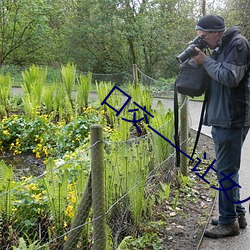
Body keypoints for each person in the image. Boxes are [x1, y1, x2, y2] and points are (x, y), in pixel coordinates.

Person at [192, 15, 250, 238]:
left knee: (226, 172)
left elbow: (229, 77)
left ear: (216, 32)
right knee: (228, 170)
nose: (203, 41)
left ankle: (228, 223)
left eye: (204, 37)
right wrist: (202, 60)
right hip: (223, 117)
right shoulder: (222, 46)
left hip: (232, 118)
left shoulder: (238, 44)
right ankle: (237, 213)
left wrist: (205, 61)